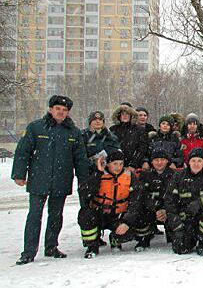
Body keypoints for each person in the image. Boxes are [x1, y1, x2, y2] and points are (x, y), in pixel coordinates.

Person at [11, 95, 90, 265]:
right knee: (34, 215)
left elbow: (80, 158)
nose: (61, 112)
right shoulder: (36, 128)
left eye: (64, 110)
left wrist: (84, 179)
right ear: (50, 110)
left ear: (67, 112)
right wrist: (19, 174)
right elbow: (23, 151)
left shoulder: (73, 132)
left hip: (61, 180)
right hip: (39, 179)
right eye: (58, 109)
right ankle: (29, 251)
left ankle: (51, 246)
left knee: (56, 215)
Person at [78, 150, 143, 258]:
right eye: (115, 164)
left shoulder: (129, 176)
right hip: (99, 214)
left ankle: (115, 239)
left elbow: (136, 201)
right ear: (108, 164)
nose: (118, 167)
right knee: (86, 215)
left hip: (118, 215)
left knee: (131, 228)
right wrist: (98, 174)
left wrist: (126, 222)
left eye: (121, 164)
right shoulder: (98, 174)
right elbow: (85, 192)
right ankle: (92, 245)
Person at [164, 148, 203, 255]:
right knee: (181, 249)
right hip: (185, 217)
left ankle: (202, 241)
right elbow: (169, 200)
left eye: (199, 161)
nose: (196, 164)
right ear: (188, 162)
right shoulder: (178, 176)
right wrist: (176, 223)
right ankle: (190, 238)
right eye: (193, 160)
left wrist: (200, 202)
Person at [134, 149, 176, 250]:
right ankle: (144, 238)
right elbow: (142, 195)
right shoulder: (145, 175)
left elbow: (175, 196)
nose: (159, 162)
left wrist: (165, 209)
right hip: (151, 208)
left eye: (162, 159)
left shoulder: (175, 175)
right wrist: (156, 208)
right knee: (140, 212)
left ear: (167, 161)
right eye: (156, 160)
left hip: (169, 208)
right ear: (152, 162)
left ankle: (173, 236)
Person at [109, 103, 149, 171]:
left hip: (134, 167)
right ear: (119, 115)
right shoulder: (112, 130)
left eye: (127, 114)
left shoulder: (139, 130)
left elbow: (142, 148)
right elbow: (110, 147)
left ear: (131, 115)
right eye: (123, 114)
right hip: (116, 166)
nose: (125, 116)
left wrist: (133, 164)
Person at [81, 111, 121, 177]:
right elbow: (80, 156)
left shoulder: (111, 136)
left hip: (109, 173)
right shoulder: (83, 136)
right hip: (90, 172)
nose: (98, 121)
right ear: (90, 122)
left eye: (100, 119)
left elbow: (117, 153)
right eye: (94, 119)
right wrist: (94, 163)